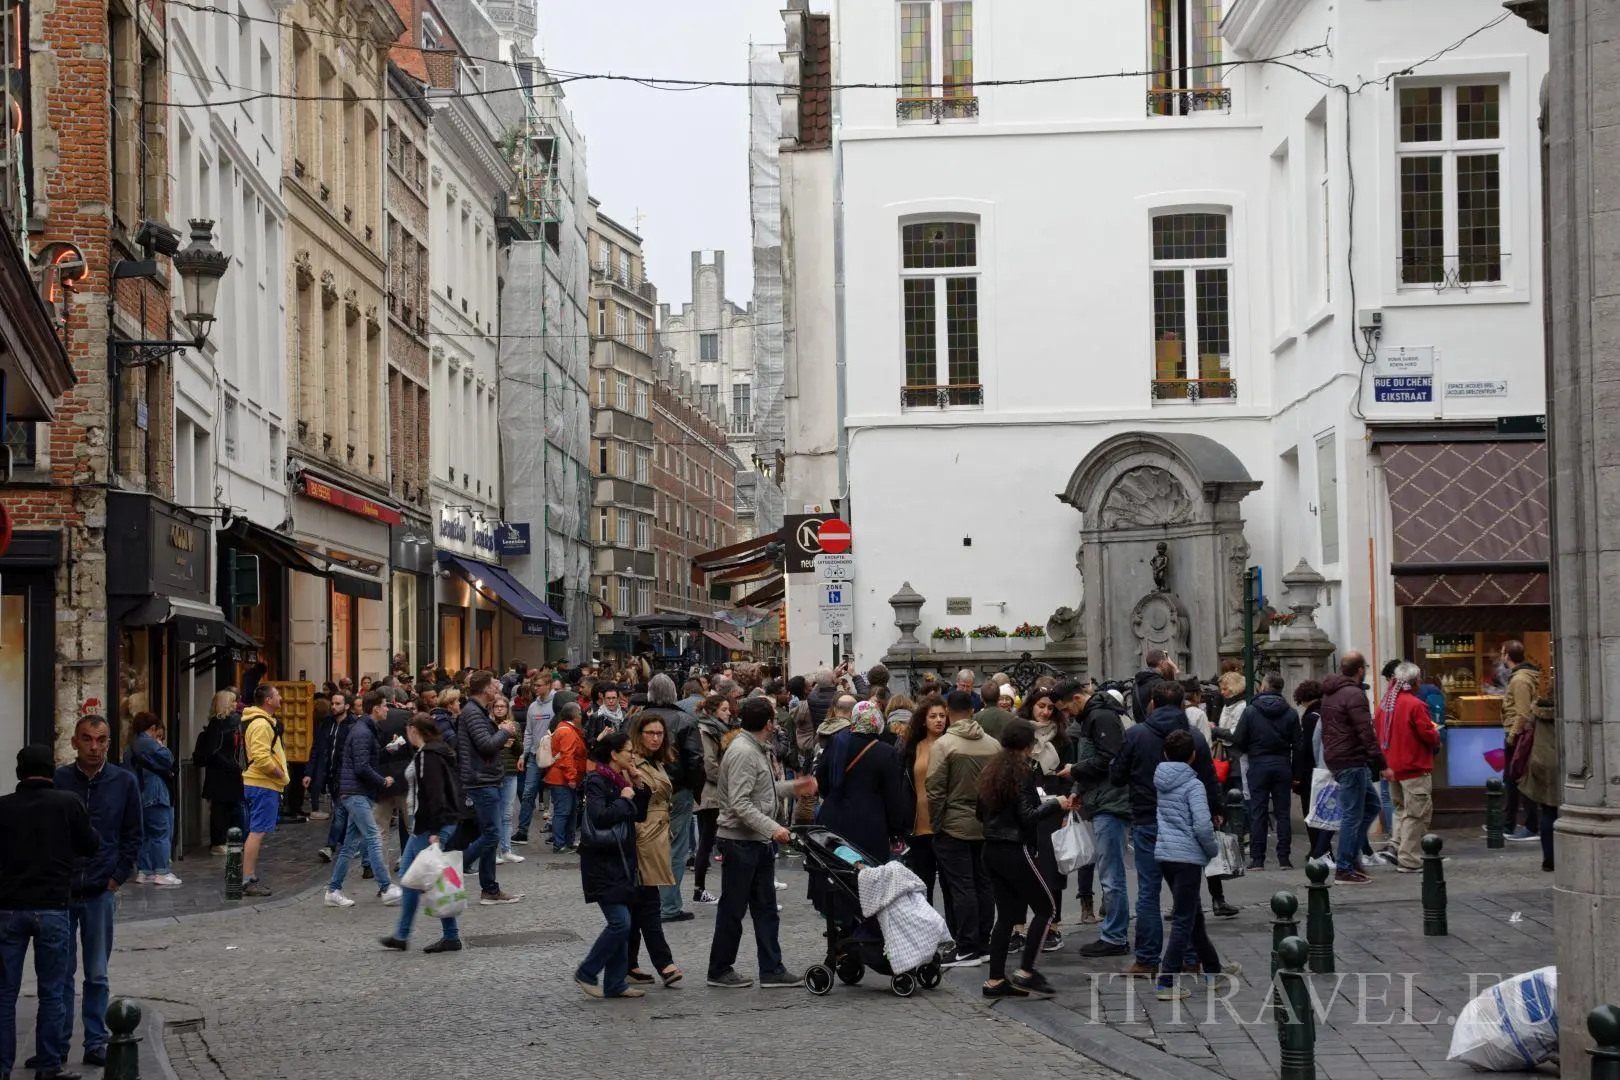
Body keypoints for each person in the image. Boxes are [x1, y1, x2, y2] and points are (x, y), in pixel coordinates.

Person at [1110, 681, 1222, 976]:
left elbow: (1117, 775)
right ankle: (1190, 955)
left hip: (1147, 820)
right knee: (1185, 895)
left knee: (1148, 891)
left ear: (1153, 704)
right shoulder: (1194, 737)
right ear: (1182, 703)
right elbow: (1209, 779)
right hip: (1183, 825)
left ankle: (1147, 957)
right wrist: (1216, 811)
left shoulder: (1136, 734)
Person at [2, 745, 99, 1080]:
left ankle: (2, 1066)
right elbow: (90, 845)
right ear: (51, 770)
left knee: (4, 994)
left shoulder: (4, 807)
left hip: (10, 907)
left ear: (20, 772)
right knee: (53, 991)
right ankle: (48, 1064)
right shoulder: (68, 804)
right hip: (54, 906)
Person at [705, 697, 815, 989]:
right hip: (740, 842)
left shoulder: (754, 748)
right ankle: (719, 969)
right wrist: (774, 828)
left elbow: (761, 792)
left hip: (756, 840)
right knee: (734, 908)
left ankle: (771, 969)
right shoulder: (744, 752)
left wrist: (794, 787)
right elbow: (741, 803)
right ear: (769, 723)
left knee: (765, 907)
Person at [54, 715, 140, 1070]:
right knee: (59, 972)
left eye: (100, 740)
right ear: (74, 742)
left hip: (100, 890)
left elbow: (134, 835)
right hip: (61, 891)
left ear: (109, 743)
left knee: (96, 972)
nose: (94, 747)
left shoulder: (123, 781)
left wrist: (116, 877)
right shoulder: (59, 781)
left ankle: (94, 1041)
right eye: (87, 739)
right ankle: (55, 1045)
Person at [977, 718, 1078, 999]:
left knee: (1007, 915)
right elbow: (1027, 815)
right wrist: (1055, 804)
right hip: (1014, 848)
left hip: (991, 848)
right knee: (1046, 908)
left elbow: (980, 812)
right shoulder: (1022, 771)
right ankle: (1026, 972)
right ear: (1027, 745)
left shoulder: (992, 769)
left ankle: (995, 980)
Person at [1152, 730, 1237, 1001]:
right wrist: (1212, 849)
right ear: (1193, 756)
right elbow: (1202, 825)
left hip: (1166, 854)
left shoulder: (1161, 780)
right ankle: (1166, 981)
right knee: (1183, 920)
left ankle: (1213, 969)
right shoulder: (1193, 784)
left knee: (1193, 915)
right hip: (1187, 857)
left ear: (1165, 753)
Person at [573, 731, 653, 999]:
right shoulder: (597, 780)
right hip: (603, 862)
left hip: (622, 859)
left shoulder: (621, 780)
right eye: (628, 750)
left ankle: (615, 983)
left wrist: (638, 787)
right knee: (620, 923)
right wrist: (625, 798)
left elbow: (639, 815)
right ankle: (587, 971)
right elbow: (600, 817)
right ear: (614, 754)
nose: (633, 755)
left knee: (625, 923)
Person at [926, 689, 1001, 968]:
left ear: (948, 712)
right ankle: (983, 941)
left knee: (962, 887)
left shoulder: (945, 745)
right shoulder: (992, 745)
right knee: (984, 884)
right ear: (972, 710)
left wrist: (937, 822)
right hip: (985, 824)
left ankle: (967, 945)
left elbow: (934, 789)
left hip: (954, 824)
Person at [380, 715, 464, 953]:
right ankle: (405, 935)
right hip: (427, 824)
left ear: (414, 730)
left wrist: (436, 831)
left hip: (430, 824)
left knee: (427, 878)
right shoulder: (432, 751)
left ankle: (447, 936)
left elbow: (434, 793)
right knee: (414, 878)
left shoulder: (429, 755)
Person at [324, 692, 404, 908]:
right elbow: (362, 767)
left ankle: (333, 891)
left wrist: (387, 751)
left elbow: (367, 758)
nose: (388, 709)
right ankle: (387, 887)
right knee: (374, 837)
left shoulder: (365, 730)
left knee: (350, 845)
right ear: (375, 709)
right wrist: (382, 781)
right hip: (356, 793)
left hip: (357, 792)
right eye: (385, 706)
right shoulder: (363, 732)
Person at [1319, 652, 1388, 884]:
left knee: (1371, 805)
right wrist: (1380, 763)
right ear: (1360, 669)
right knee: (1352, 814)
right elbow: (1366, 732)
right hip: (1351, 760)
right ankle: (1345, 866)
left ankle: (1352, 857)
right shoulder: (1354, 694)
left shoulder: (1331, 693)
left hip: (1339, 758)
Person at [1074, 685, 1133, 957]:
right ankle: (1113, 933)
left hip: (1110, 803)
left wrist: (1075, 770)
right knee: (1109, 873)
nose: (1067, 714)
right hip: (1102, 801)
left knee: (1112, 875)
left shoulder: (1100, 717)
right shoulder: (1096, 716)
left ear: (1075, 699)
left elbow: (1107, 758)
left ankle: (1115, 936)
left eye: (1065, 708)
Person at [625, 712, 683, 987]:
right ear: (640, 733)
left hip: (657, 834)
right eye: (650, 732)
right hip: (643, 835)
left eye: (660, 733)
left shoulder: (657, 762)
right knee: (648, 902)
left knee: (639, 902)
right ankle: (664, 963)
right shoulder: (633, 762)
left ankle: (629, 963)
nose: (656, 737)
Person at [458, 671, 524, 905]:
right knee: (492, 834)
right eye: (494, 684)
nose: (498, 686)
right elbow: (486, 746)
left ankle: (490, 889)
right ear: (486, 689)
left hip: (486, 778)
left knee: (490, 835)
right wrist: (504, 731)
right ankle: (453, 867)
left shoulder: (477, 711)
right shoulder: (473, 713)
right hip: (481, 780)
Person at [642, 674, 702, 923]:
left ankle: (649, 902)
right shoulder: (684, 720)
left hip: (645, 790)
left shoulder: (636, 718)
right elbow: (695, 760)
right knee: (675, 848)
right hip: (677, 790)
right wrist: (696, 790)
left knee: (645, 846)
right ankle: (669, 904)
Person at [1018, 686, 1074, 952]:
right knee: (1023, 865)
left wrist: (1065, 800)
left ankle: (1053, 924)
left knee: (1052, 866)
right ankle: (1019, 925)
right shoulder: (1020, 735)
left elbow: (1070, 775)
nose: (1045, 711)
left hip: (1053, 805)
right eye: (1041, 706)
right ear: (1031, 706)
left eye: (1050, 707)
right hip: (1026, 807)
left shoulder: (1062, 739)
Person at [1232, 673, 1299, 870]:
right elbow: (1298, 743)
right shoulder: (1291, 713)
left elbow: (1238, 739)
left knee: (1257, 812)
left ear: (1264, 687)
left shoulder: (1251, 711)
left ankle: (1258, 858)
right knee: (1283, 813)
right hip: (1282, 764)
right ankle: (1284, 858)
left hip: (1258, 763)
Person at [1383, 662, 1442, 873]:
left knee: (1400, 810)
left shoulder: (1386, 704)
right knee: (1416, 814)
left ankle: (1396, 846)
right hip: (1414, 767)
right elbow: (1427, 733)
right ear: (1415, 682)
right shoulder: (1415, 705)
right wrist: (1436, 736)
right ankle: (1408, 859)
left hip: (1394, 767)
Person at [899, 693, 950, 907]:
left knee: (950, 884)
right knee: (923, 883)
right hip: (919, 824)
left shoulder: (951, 744)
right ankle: (927, 931)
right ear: (923, 719)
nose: (938, 720)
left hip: (947, 823)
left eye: (942, 716)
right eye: (933, 716)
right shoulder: (913, 748)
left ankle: (954, 932)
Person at [239, 685, 288, 897]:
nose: (281, 697)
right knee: (257, 831)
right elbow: (260, 755)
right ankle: (247, 878)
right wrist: (278, 773)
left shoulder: (262, 721)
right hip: (262, 783)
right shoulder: (261, 723)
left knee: (257, 830)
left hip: (261, 783)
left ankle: (248, 876)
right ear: (268, 700)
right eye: (277, 695)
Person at [126, 714, 180, 886]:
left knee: (146, 835)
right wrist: (160, 744)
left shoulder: (132, 745)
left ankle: (145, 871)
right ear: (153, 728)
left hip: (140, 794)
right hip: (155, 794)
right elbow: (168, 758)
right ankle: (162, 871)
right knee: (161, 833)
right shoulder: (148, 743)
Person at [693, 695, 735, 905]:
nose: (728, 713)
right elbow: (710, 764)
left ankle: (701, 888)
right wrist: (728, 784)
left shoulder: (715, 729)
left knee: (709, 842)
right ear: (713, 711)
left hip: (713, 793)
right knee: (709, 841)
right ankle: (699, 889)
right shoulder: (707, 730)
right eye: (724, 709)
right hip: (711, 795)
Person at [1515, 668, 1559, 873]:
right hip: (1563, 764)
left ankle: (1548, 859)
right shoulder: (1568, 711)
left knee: (1547, 811)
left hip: (1540, 763)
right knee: (1563, 812)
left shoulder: (1537, 710)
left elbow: (1526, 731)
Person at [1498, 640, 1541, 841]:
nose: (1500, 655)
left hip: (1517, 736)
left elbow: (1522, 712)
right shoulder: (1518, 677)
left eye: (1502, 652)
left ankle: (1531, 825)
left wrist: (1512, 736)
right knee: (1512, 779)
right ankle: (1508, 825)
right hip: (1516, 734)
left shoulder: (1520, 680)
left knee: (1519, 779)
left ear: (1507, 655)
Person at [194, 690, 245, 854]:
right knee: (220, 809)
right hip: (221, 775)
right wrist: (232, 765)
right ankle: (218, 842)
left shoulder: (230, 723)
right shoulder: (217, 724)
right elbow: (213, 751)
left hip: (227, 773)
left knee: (228, 807)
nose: (236, 704)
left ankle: (227, 839)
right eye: (232, 701)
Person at [1290, 681, 1333, 862]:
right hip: (1325, 768)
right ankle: (1321, 850)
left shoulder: (1310, 717)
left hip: (1312, 772)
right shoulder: (1326, 711)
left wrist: (1297, 775)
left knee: (1312, 813)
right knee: (1323, 813)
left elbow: (1305, 748)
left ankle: (1319, 850)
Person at [515, 676, 560, 844]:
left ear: (548, 685)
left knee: (556, 793)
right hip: (534, 755)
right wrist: (523, 755)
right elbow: (528, 732)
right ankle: (522, 831)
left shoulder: (557, 703)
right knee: (528, 793)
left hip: (553, 756)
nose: (536, 688)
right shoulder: (533, 706)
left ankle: (555, 829)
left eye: (539, 685)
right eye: (535, 685)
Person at [543, 700, 588, 854]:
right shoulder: (567, 731)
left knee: (570, 810)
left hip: (563, 777)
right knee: (564, 811)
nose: (581, 716)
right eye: (580, 714)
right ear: (575, 715)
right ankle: (559, 843)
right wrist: (571, 778)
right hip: (562, 778)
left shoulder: (564, 729)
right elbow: (567, 757)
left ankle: (567, 841)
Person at [491, 696, 526, 865]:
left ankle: (506, 850)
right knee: (494, 813)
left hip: (510, 772)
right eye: (496, 706)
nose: (499, 709)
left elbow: (520, 749)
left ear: (507, 709)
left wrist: (512, 741)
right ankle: (493, 851)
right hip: (493, 773)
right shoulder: (488, 725)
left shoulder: (515, 725)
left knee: (507, 813)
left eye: (502, 707)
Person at [1131, 649, 1176, 723]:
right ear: (1161, 663)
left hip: (1142, 727)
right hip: (1157, 728)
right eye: (1166, 662)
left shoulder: (1137, 682)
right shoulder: (1161, 684)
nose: (1167, 664)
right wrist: (1175, 670)